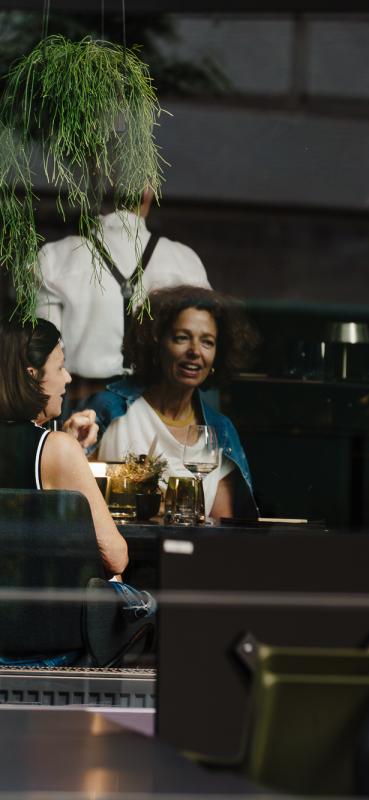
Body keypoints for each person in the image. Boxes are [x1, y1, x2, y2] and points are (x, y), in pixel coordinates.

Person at [86, 286, 258, 522]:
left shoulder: (221, 432)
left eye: (207, 342)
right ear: (157, 343)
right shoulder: (109, 410)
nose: (195, 351)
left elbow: (219, 526)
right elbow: (76, 500)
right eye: (182, 338)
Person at [35, 189, 211, 407]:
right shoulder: (185, 261)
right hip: (161, 409)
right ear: (147, 195)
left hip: (83, 406)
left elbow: (44, 357)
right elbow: (204, 345)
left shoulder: (54, 257)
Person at [0, 318, 128, 576]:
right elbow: (115, 557)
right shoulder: (56, 449)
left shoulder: (51, 445)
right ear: (32, 377)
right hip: (35, 598)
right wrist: (65, 450)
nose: (67, 378)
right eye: (60, 368)